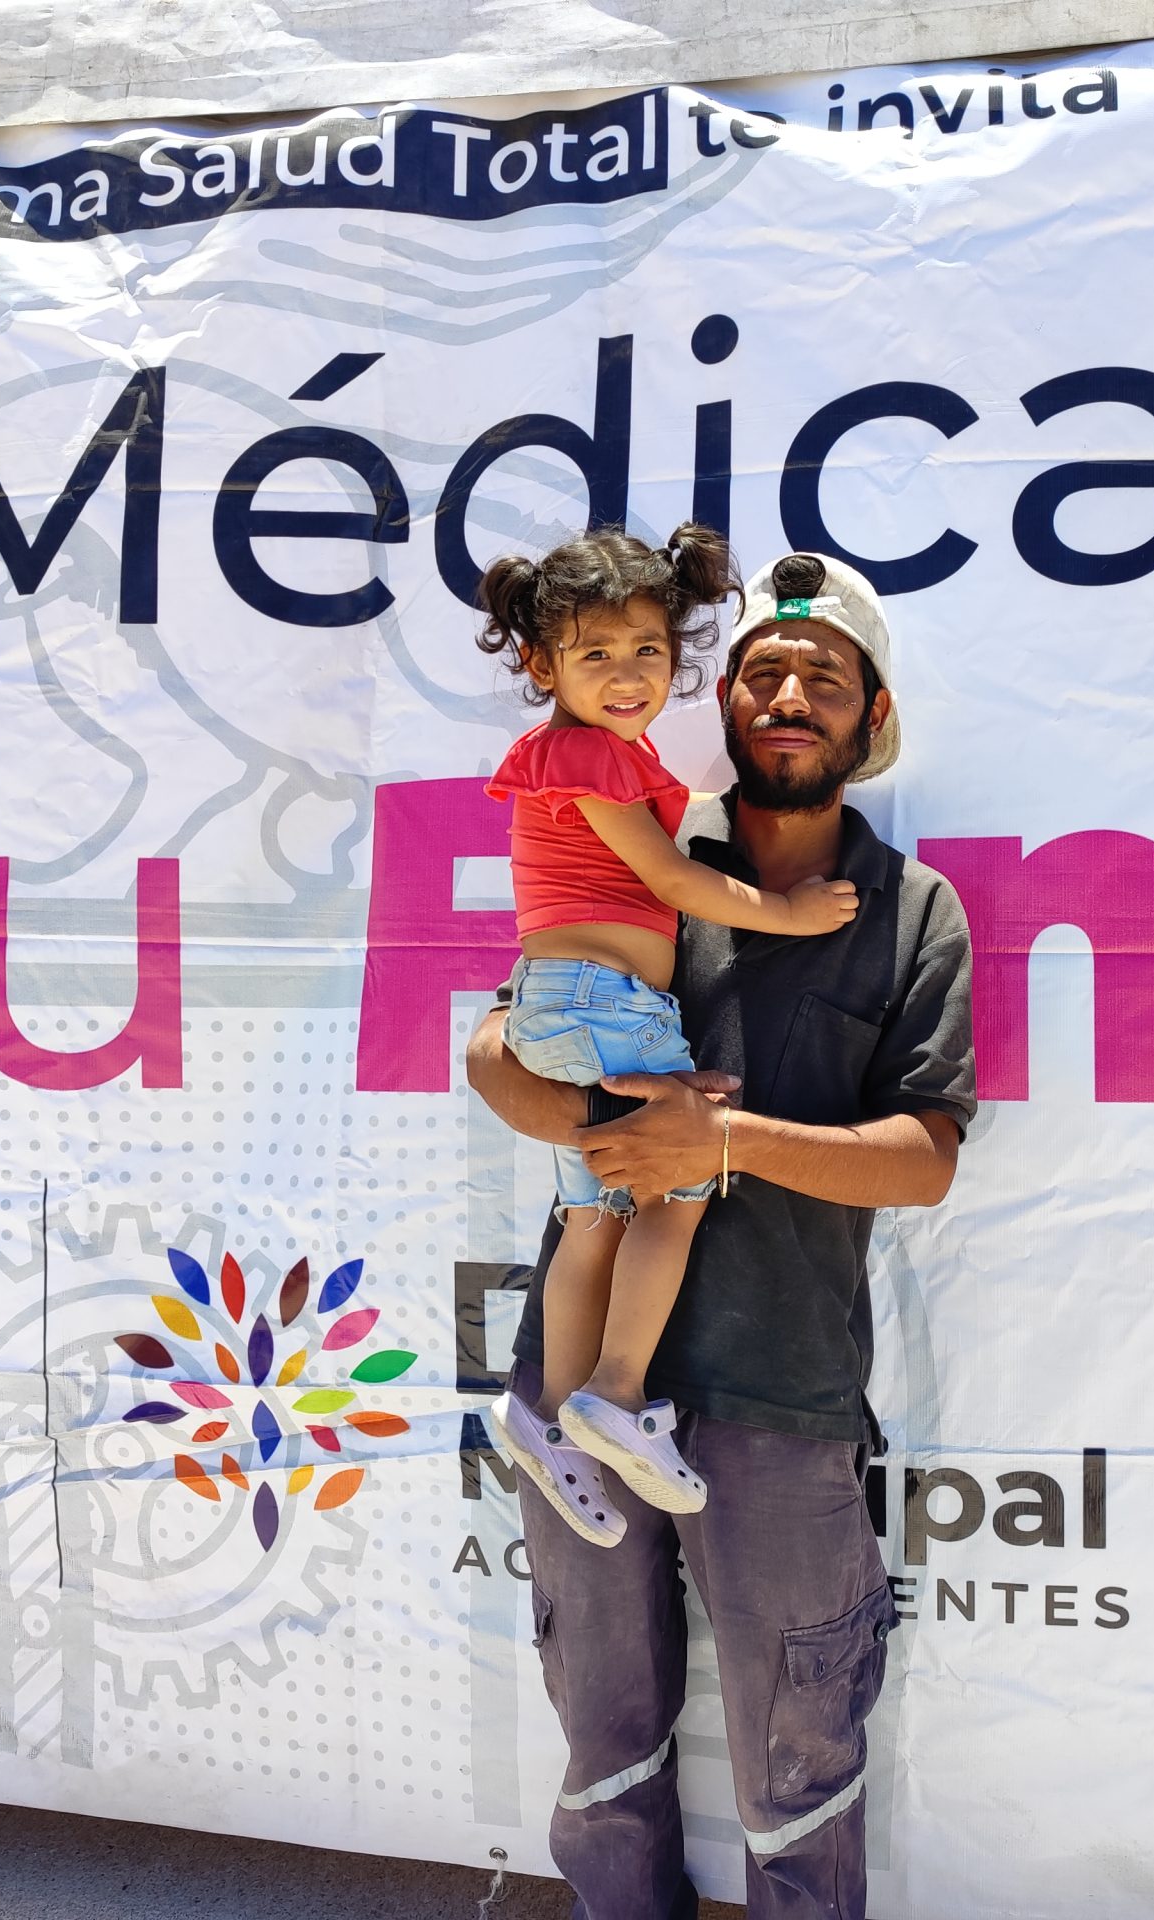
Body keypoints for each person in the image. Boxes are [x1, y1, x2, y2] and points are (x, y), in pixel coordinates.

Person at [468, 550, 978, 1920]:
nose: (789, 696)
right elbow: (499, 1053)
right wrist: (578, 1109)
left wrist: (722, 1141)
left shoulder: (913, 913)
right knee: (602, 1744)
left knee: (799, 1765)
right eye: (763, 672)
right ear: (726, 704)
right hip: (579, 1392)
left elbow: (924, 1161)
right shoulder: (644, 852)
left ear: (872, 716)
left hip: (780, 1393)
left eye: (825, 677)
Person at [473, 523, 861, 1546]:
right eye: (595, 654)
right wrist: (791, 914)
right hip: (602, 1005)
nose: (628, 674)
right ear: (542, 665)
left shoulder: (597, 754)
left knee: (594, 1212)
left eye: (647, 649)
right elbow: (673, 880)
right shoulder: (585, 753)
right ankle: (613, 1391)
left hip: (571, 1004)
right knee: (679, 1186)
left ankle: (546, 1418)